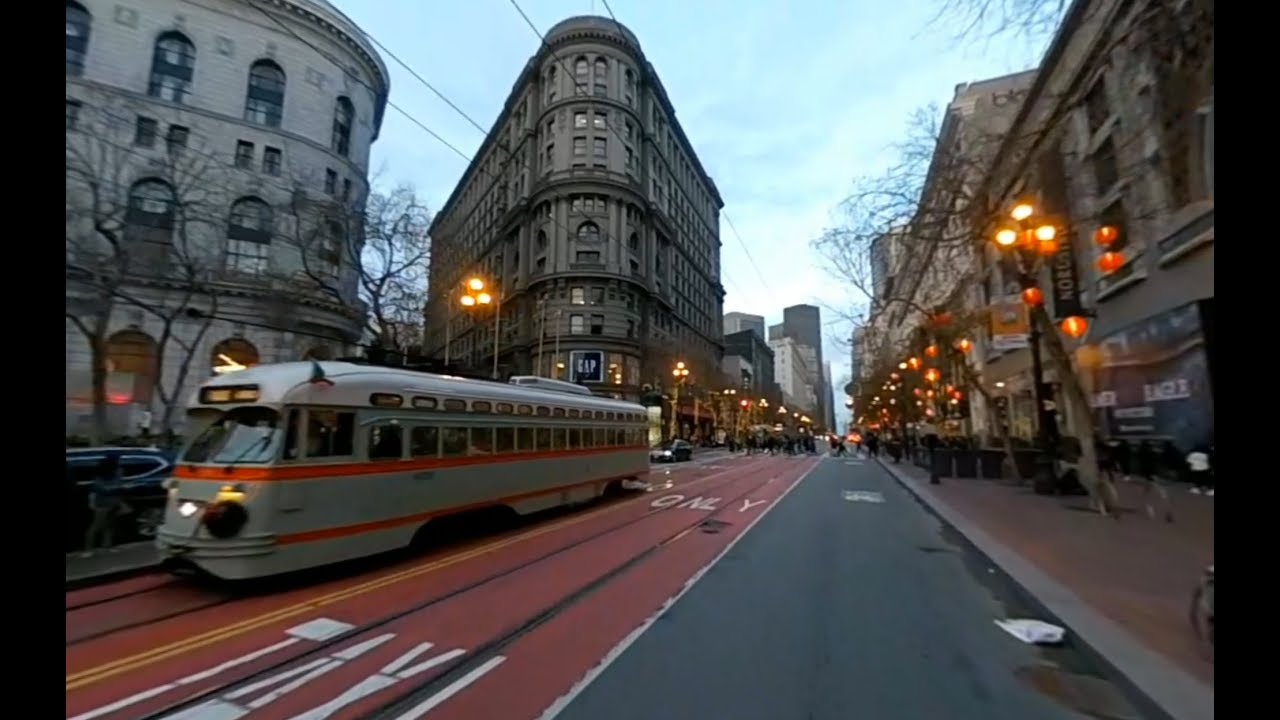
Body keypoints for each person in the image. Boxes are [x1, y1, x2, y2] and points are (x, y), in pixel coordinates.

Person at [82, 456, 125, 556]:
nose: (120, 465)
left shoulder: (117, 473)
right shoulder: (99, 477)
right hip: (102, 503)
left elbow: (118, 485)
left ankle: (107, 545)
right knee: (96, 526)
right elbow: (102, 489)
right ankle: (88, 549)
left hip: (113, 501)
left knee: (110, 525)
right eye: (118, 463)